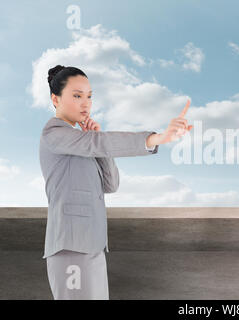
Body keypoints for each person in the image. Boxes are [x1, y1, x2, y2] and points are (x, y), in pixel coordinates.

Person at [40, 65, 193, 299]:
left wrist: (96, 137)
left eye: (89, 96)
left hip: (92, 245)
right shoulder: (54, 133)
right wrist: (157, 138)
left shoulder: (81, 140)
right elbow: (96, 144)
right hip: (71, 247)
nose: (86, 103)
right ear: (55, 98)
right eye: (77, 96)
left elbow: (111, 184)